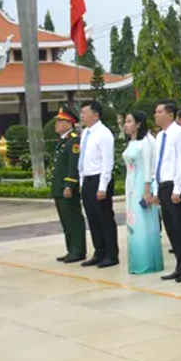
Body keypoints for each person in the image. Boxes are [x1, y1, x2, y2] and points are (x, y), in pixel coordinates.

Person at [152, 100, 181, 282]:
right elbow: (158, 164)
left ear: (170, 115)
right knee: (172, 228)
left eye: (159, 111)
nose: (155, 115)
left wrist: (178, 189)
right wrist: (156, 189)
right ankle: (180, 264)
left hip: (176, 186)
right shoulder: (160, 137)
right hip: (164, 185)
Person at [122, 111, 164, 275]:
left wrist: (147, 190)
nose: (126, 124)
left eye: (129, 121)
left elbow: (148, 167)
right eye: (125, 121)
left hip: (141, 184)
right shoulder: (131, 142)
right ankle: (136, 261)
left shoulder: (146, 142)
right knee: (133, 223)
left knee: (143, 223)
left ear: (138, 124)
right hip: (130, 183)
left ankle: (148, 262)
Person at [78, 100, 118, 268]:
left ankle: (111, 254)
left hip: (99, 179)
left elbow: (107, 163)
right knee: (93, 219)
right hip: (87, 179)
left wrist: (102, 187)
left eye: (84, 113)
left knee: (104, 218)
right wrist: (81, 182)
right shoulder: (85, 133)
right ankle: (99, 251)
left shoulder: (104, 133)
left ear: (95, 115)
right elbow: (82, 160)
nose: (82, 116)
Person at [52, 106, 85, 263]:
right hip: (59, 187)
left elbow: (73, 165)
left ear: (69, 123)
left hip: (66, 188)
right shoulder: (62, 141)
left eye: (60, 121)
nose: (56, 124)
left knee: (73, 219)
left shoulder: (73, 140)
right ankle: (70, 249)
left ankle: (78, 250)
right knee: (65, 220)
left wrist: (69, 186)